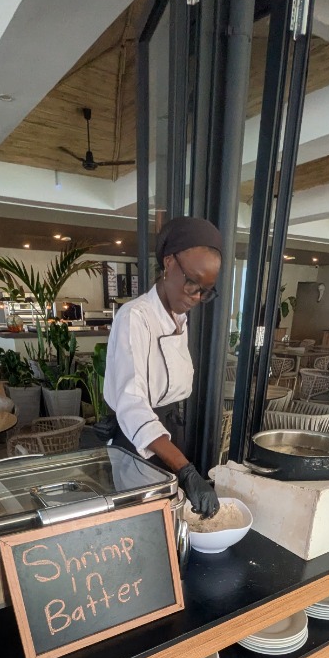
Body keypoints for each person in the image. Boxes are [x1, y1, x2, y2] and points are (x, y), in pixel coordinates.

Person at [103, 216, 222, 518]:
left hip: (172, 434)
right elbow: (132, 405)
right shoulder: (135, 317)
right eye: (192, 282)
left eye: (205, 290)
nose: (196, 297)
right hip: (139, 441)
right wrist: (186, 470)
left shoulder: (179, 316)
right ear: (169, 262)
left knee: (174, 516)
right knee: (145, 522)